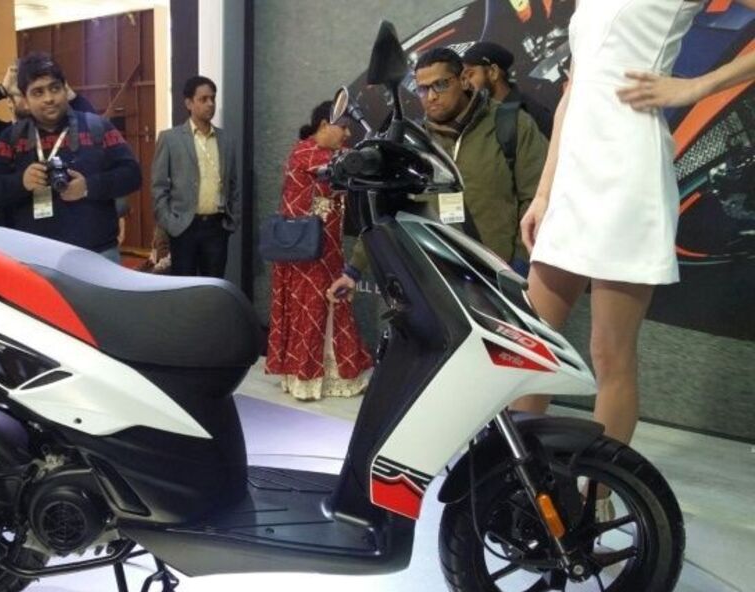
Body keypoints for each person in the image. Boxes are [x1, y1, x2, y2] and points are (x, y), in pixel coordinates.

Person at [513, 0, 755, 446]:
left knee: (610, 352)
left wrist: (699, 86)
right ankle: (517, 477)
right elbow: (572, 92)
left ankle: (601, 481)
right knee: (532, 341)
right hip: (573, 176)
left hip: (628, 169)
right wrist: (545, 192)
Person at [329, 46, 547, 299]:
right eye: (422, 89)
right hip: (434, 284)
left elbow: (536, 198)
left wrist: (520, 266)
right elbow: (387, 210)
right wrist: (353, 271)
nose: (431, 96)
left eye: (440, 85)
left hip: (496, 280)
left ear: (463, 80)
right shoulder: (413, 144)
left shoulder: (512, 125)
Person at [0, 53, 140, 262]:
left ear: (65, 90)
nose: (49, 98)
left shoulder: (98, 127)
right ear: (26, 100)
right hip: (34, 258)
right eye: (38, 92)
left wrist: (88, 187)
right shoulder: (12, 137)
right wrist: (21, 182)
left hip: (97, 253)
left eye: (55, 88)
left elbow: (132, 174)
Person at [265, 101, 373, 401]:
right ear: (324, 125)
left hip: (325, 249)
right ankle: (307, 378)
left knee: (329, 306)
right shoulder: (307, 153)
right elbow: (347, 167)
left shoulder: (328, 156)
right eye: (344, 127)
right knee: (312, 309)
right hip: (306, 252)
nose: (348, 134)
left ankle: (331, 374)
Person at [151, 76, 241, 277]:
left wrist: (232, 220)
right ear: (189, 103)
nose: (210, 104)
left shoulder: (226, 140)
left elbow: (233, 183)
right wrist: (169, 223)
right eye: (203, 99)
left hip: (217, 227)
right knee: (185, 286)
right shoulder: (171, 139)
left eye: (213, 98)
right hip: (184, 226)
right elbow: (158, 186)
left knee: (214, 286)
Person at [0, 64, 97, 154]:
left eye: (36, 93)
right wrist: (2, 89)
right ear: (9, 102)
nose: (30, 100)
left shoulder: (57, 130)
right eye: (22, 94)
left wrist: (68, 93)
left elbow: (93, 126)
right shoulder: (2, 135)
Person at [461, 41, 554, 139]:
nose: (467, 85)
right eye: (464, 79)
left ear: (493, 72)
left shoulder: (529, 112)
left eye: (470, 75)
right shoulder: (482, 121)